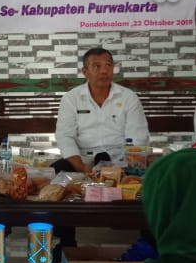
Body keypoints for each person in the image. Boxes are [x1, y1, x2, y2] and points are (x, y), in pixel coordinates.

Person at [55, 46, 149, 174]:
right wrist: (82, 168)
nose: (104, 71)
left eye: (108, 65)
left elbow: (138, 136)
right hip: (84, 160)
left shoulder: (128, 97)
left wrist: (127, 168)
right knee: (55, 171)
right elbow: (65, 136)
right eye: (97, 66)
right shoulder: (71, 98)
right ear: (85, 71)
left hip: (120, 161)